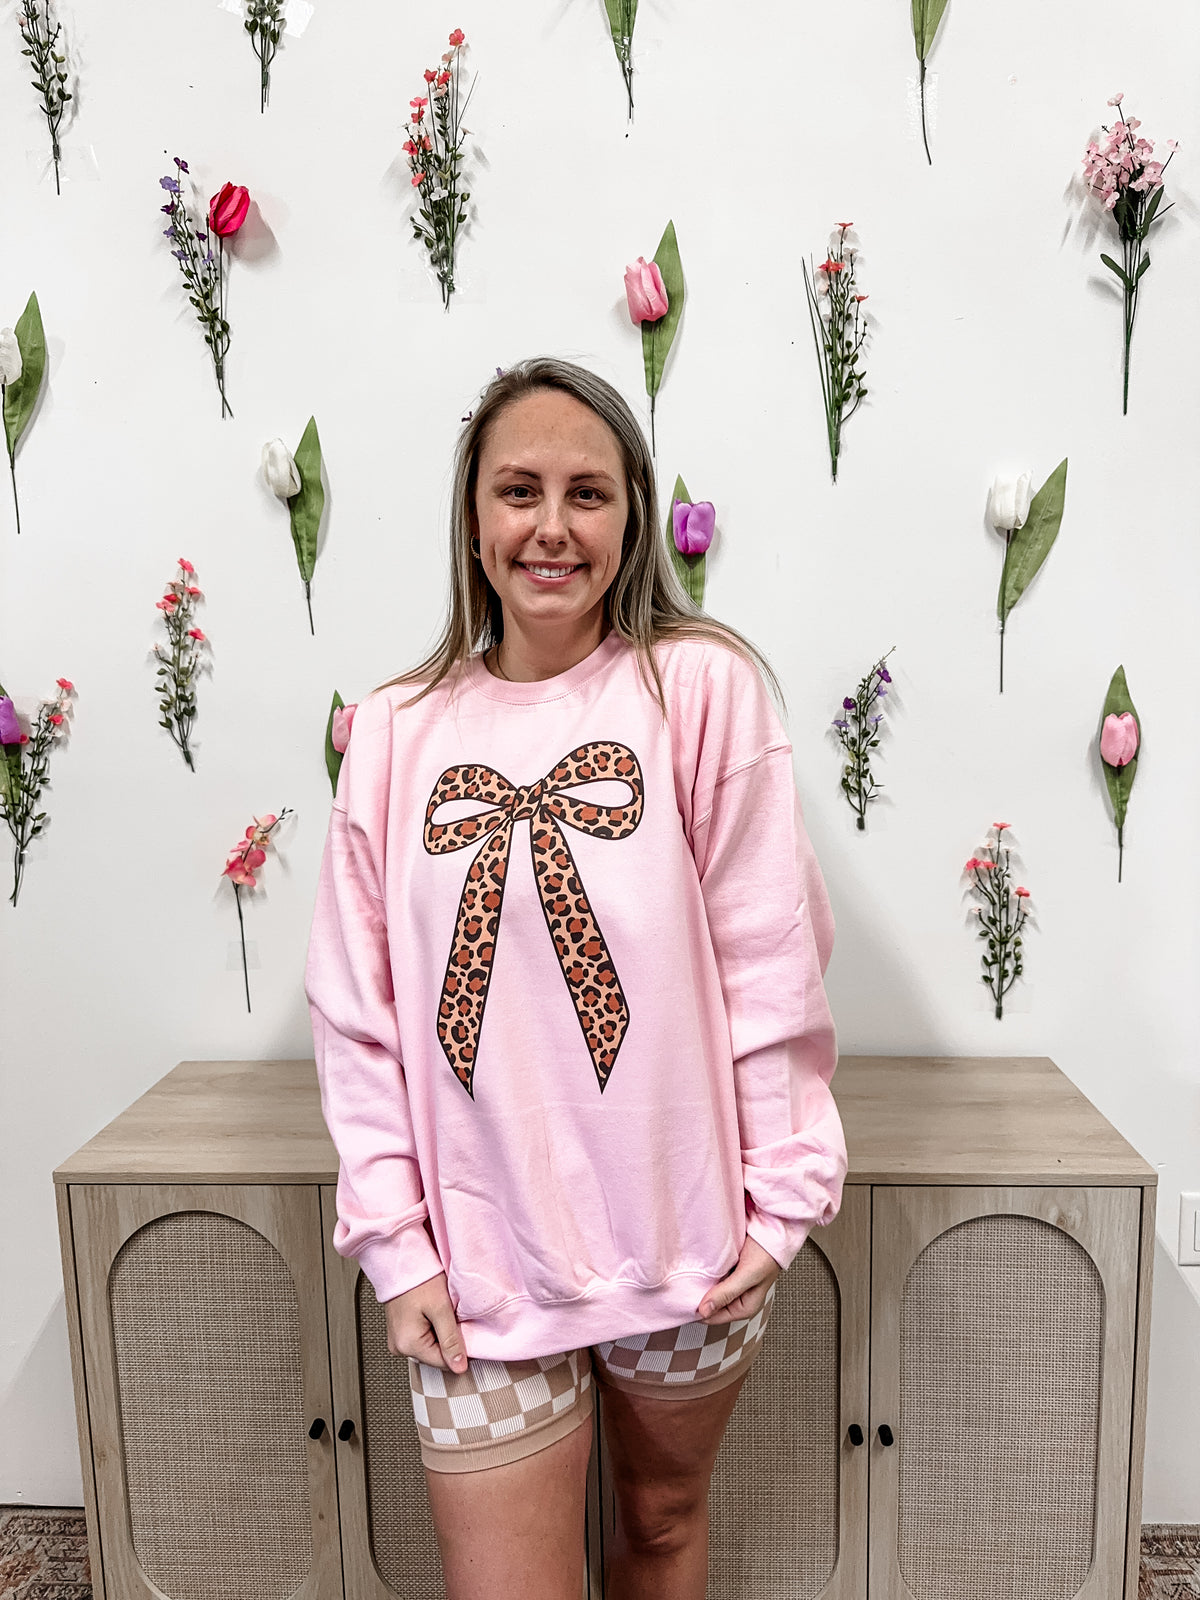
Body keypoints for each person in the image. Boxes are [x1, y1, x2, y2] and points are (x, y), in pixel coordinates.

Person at [304, 356, 847, 1600]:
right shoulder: (390, 731)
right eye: (520, 490)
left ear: (632, 517)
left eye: (587, 493)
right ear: (474, 521)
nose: (551, 526)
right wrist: (397, 1244)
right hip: (477, 1258)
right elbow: (356, 1017)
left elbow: (769, 960)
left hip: (690, 1238)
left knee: (659, 1524)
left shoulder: (698, 689)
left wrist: (781, 1200)